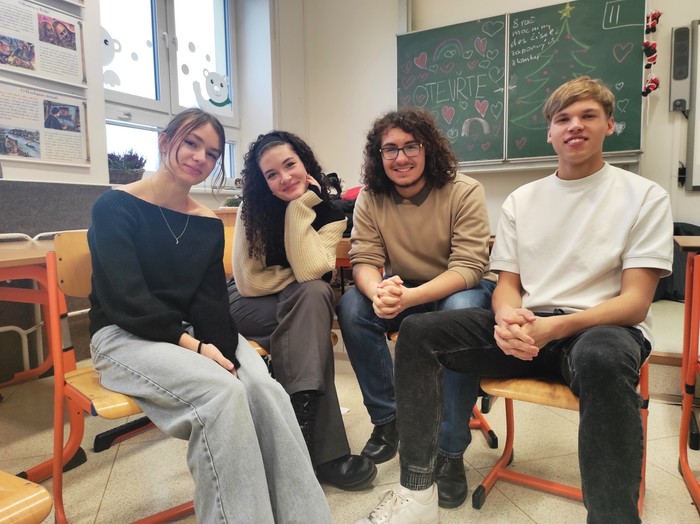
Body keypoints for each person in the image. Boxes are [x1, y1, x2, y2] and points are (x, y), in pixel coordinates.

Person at [356, 76, 674, 524]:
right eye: (563, 118)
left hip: (601, 329)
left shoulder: (644, 196)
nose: (574, 126)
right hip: (528, 326)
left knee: (602, 357)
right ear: (550, 132)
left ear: (609, 125)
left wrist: (552, 328)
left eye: (588, 116)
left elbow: (635, 303)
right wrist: (507, 318)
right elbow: (507, 284)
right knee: (418, 332)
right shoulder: (522, 200)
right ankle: (418, 492)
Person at [87, 108, 331, 523]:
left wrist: (223, 353)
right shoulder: (115, 206)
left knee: (265, 391)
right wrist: (197, 348)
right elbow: (128, 300)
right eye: (191, 143)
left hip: (190, 334)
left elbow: (210, 304)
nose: (201, 157)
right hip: (124, 334)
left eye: (213, 153)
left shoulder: (206, 222)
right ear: (165, 142)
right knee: (222, 395)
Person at [337, 108, 496, 508]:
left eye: (411, 146)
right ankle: (389, 421)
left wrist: (408, 298)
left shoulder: (463, 190)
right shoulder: (371, 197)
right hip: (403, 285)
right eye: (390, 149)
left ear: (428, 149)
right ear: (378, 155)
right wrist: (378, 292)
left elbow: (469, 267)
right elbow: (364, 259)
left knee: (458, 313)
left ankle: (450, 451)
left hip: (455, 285)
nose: (401, 157)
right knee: (353, 307)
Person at [228, 130, 377, 491]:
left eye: (289, 165)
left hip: (298, 301)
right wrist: (295, 277)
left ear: (305, 163)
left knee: (313, 301)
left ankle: (299, 432)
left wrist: (299, 208)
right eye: (271, 174)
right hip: (245, 304)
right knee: (310, 312)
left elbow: (313, 273)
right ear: (262, 182)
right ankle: (326, 454)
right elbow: (249, 282)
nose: (284, 178)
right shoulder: (252, 208)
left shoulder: (330, 214)